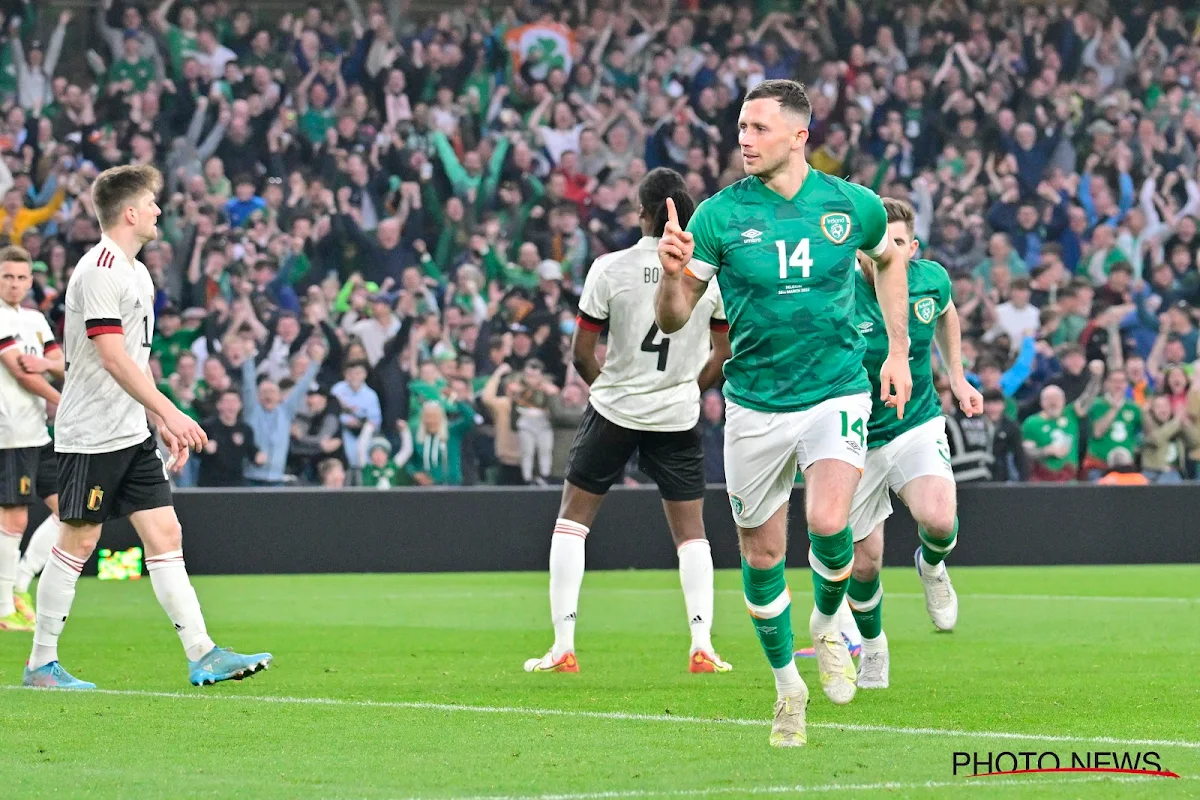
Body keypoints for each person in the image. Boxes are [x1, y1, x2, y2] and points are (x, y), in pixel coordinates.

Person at [654, 80, 912, 747]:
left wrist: (899, 352)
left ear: (800, 136)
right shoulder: (716, 216)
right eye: (741, 126)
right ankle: (785, 688)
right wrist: (675, 278)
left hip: (835, 389)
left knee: (830, 520)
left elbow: (890, 261)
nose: (744, 138)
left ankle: (827, 624)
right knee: (762, 551)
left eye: (759, 127)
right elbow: (677, 318)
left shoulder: (850, 205)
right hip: (755, 403)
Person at [24, 164, 271, 690]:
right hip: (91, 433)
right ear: (130, 212)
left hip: (131, 432)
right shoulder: (99, 270)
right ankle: (40, 664)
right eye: (153, 203)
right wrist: (173, 410)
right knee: (79, 540)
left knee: (166, 533)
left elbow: (137, 360)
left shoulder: (137, 272)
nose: (160, 210)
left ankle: (202, 652)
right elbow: (111, 358)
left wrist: (159, 417)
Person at [524, 167, 732, 676]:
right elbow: (724, 353)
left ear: (641, 211)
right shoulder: (707, 278)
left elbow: (581, 352)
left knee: (572, 521)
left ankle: (563, 644)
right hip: (677, 415)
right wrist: (688, 387)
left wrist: (607, 389)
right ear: (687, 214)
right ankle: (702, 643)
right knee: (692, 534)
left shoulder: (609, 268)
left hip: (615, 408)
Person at [842, 198, 984, 691]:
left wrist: (958, 379)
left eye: (901, 243)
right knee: (865, 563)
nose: (893, 253)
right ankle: (874, 648)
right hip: (855, 440)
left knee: (940, 518)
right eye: (884, 244)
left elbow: (947, 315)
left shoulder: (930, 279)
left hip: (915, 423)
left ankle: (933, 562)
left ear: (914, 246)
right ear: (863, 251)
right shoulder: (838, 292)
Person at [0, 247, 65, 632]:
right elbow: (20, 373)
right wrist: (63, 399)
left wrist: (47, 364)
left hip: (37, 432)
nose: (15, 284)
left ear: (30, 280)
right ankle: (4, 604)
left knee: (70, 512)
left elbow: (57, 361)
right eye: (8, 276)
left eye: (21, 277)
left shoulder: (37, 319)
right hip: (10, 432)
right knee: (14, 517)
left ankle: (20, 585)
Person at [1022, 370, 1104, 483]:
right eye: (1049, 399)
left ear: (1063, 401)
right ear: (1042, 402)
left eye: (1057, 399)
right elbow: (1026, 451)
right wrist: (1045, 451)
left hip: (1069, 479)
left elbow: (1088, 398)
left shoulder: (1070, 414)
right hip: (1043, 481)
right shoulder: (1032, 423)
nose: (1053, 403)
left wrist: (1096, 378)